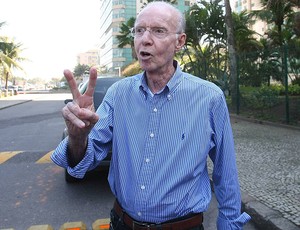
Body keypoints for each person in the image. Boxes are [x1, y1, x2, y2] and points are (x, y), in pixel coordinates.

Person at [51, 1, 251, 229]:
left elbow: (226, 172)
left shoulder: (209, 98)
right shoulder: (118, 94)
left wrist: (230, 224)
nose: (145, 39)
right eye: (139, 30)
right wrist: (78, 138)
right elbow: (84, 161)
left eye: (158, 31)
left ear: (180, 41)